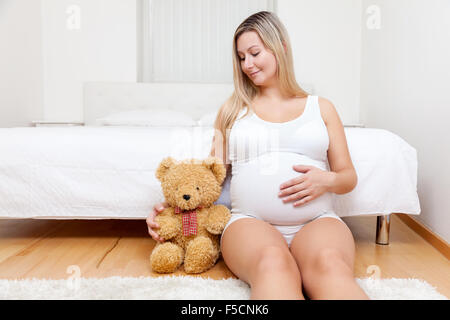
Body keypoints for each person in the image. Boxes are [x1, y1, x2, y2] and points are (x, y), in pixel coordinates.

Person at [147, 11, 369, 300]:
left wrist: (326, 180)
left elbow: (348, 177)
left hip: (318, 220)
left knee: (330, 265)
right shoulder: (232, 110)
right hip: (250, 222)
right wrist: (171, 205)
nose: (247, 64)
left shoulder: (322, 108)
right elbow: (210, 176)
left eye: (254, 53)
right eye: (241, 57)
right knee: (272, 264)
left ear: (281, 48)